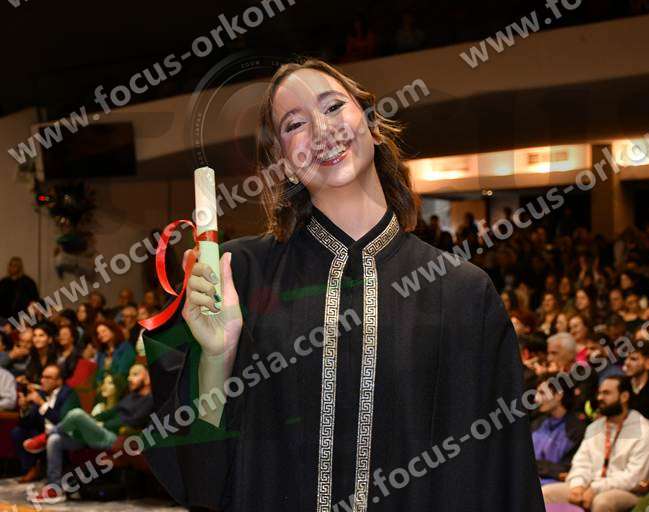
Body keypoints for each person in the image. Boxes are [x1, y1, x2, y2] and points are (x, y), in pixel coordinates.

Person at [142, 58, 544, 512]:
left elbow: (504, 475)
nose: (322, 129)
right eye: (295, 124)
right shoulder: (240, 276)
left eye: (333, 106)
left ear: (372, 125)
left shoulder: (462, 293)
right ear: (284, 163)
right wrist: (217, 359)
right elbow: (201, 478)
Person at [25, 364, 152, 504]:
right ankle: (54, 489)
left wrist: (101, 425)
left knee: (76, 414)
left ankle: (45, 436)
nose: (129, 378)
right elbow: (110, 413)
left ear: (147, 379)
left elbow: (133, 420)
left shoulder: (150, 399)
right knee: (55, 440)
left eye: (135, 374)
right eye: (130, 374)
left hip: (113, 438)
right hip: (98, 434)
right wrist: (92, 421)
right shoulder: (130, 397)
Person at [542, 376, 649, 512]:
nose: (599, 398)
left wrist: (595, 488)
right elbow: (581, 462)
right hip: (589, 485)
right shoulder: (595, 427)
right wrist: (578, 485)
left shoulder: (643, 430)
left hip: (629, 491)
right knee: (545, 494)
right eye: (599, 393)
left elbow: (634, 477)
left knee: (602, 502)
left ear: (624, 397)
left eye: (606, 393)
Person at [11, 364, 79, 483]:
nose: (43, 380)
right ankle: (32, 468)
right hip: (42, 432)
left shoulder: (69, 394)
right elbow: (27, 423)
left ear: (59, 381)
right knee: (18, 432)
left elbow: (63, 421)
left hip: (63, 434)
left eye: (48, 378)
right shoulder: (42, 394)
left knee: (53, 438)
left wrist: (42, 404)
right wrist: (25, 408)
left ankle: (55, 475)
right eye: (42, 377)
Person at [531, 375, 586, 480]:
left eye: (542, 393)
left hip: (552, 483)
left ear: (558, 395)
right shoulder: (536, 423)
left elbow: (566, 469)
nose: (536, 398)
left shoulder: (576, 430)